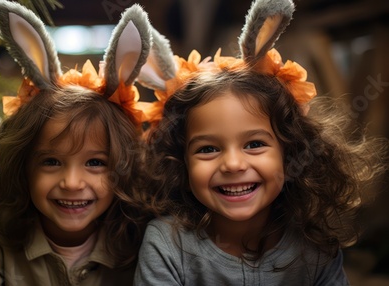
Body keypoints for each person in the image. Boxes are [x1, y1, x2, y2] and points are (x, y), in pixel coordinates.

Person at [133, 0, 387, 285]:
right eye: (208, 149)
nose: (232, 164)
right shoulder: (166, 244)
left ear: (290, 152)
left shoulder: (314, 245)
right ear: (180, 162)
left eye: (254, 144)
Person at [0, 1, 156, 285]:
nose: (72, 183)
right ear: (21, 166)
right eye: (51, 162)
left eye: (95, 163)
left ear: (124, 168)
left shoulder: (140, 238)